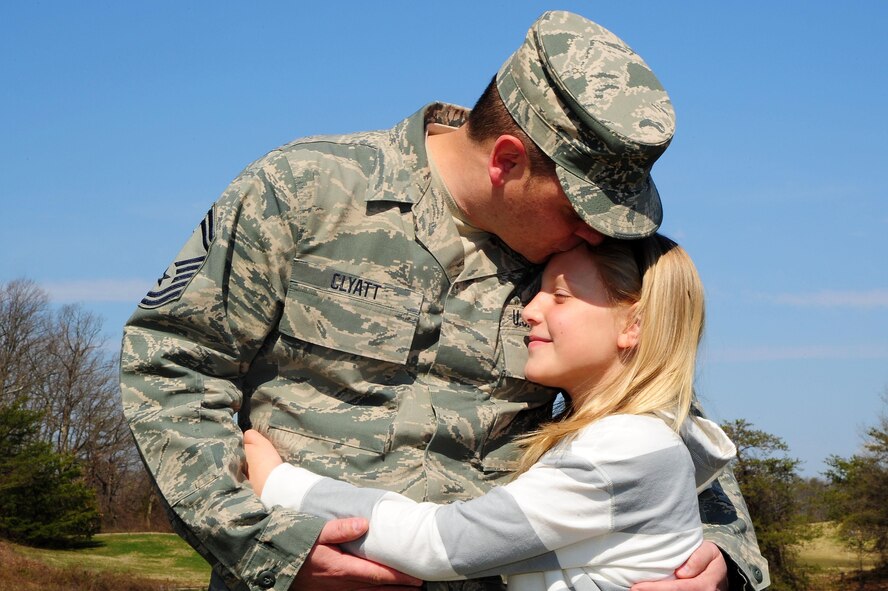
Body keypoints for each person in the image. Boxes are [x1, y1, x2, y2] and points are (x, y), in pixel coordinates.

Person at [120, 10, 769, 591]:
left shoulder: (577, 266)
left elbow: (659, 400)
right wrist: (265, 545)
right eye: (585, 204)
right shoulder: (305, 190)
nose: (600, 231)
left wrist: (719, 554)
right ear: (508, 162)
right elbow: (173, 362)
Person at [243, 235, 738, 591]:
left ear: (635, 324)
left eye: (561, 295)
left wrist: (277, 483)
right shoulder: (638, 440)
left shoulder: (624, 447)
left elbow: (438, 545)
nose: (530, 310)